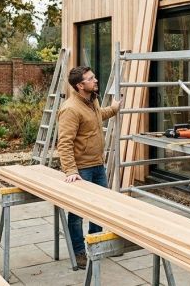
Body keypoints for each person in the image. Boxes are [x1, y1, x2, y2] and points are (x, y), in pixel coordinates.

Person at [56, 66, 120, 269]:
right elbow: (64, 143)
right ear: (80, 85)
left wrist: (114, 108)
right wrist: (71, 171)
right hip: (81, 169)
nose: (96, 80)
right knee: (77, 213)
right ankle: (79, 252)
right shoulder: (70, 109)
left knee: (99, 208)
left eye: (94, 76)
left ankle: (96, 246)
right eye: (91, 79)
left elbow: (97, 116)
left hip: (97, 165)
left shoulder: (92, 100)